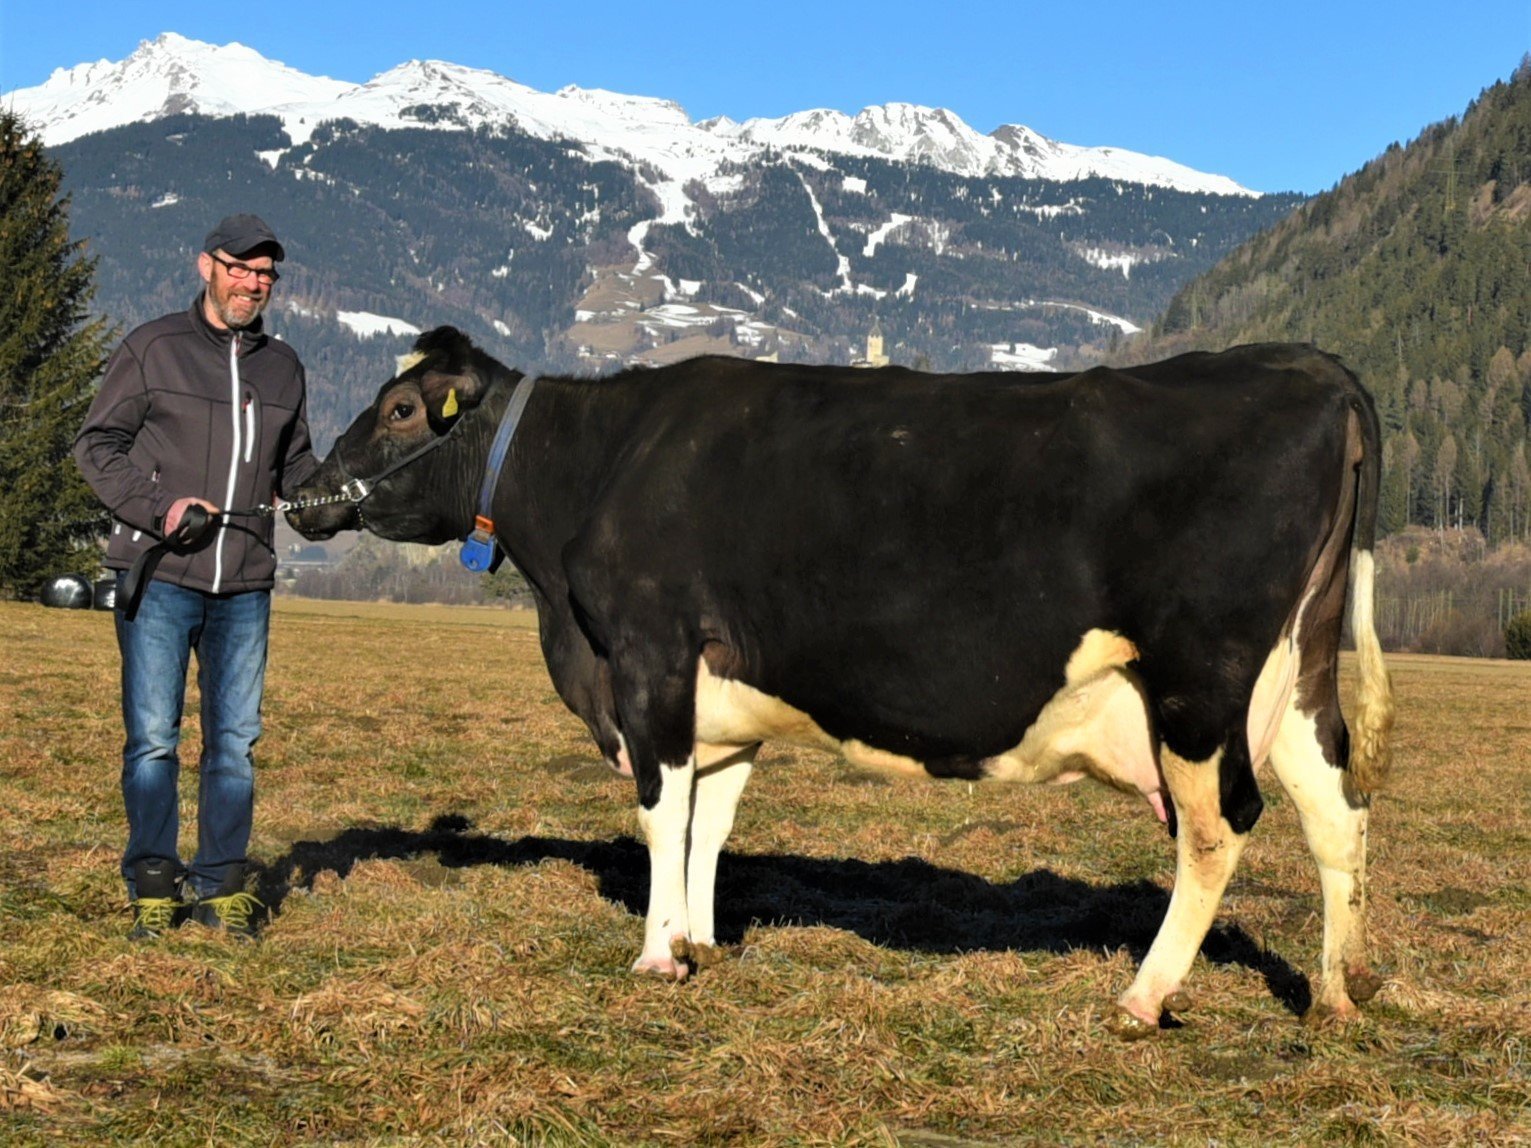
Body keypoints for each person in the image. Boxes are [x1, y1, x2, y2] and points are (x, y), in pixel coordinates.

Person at [74, 214, 320, 938]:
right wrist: (161, 506)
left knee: (235, 743)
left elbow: (294, 469)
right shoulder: (152, 349)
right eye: (241, 268)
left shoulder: (285, 367)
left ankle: (220, 887)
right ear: (205, 267)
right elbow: (98, 445)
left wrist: (328, 493)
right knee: (153, 739)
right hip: (160, 575)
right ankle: (154, 880)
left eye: (266, 274)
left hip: (245, 584)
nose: (253, 283)